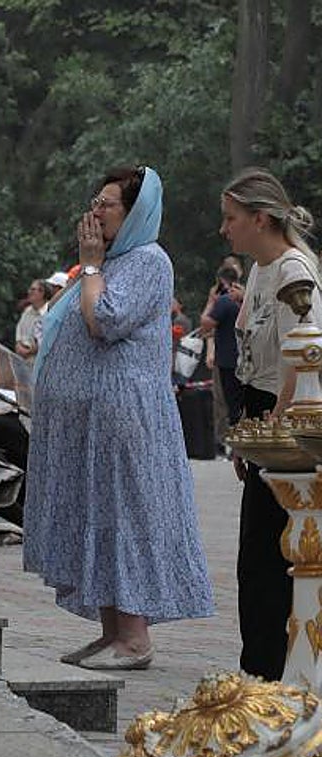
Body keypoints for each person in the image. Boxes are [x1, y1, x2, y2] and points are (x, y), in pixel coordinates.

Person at [24, 165, 214, 670]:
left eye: (107, 204)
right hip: (97, 422)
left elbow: (103, 319)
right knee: (100, 516)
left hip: (126, 416)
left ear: (136, 213)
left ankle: (134, 638)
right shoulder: (117, 259)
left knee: (124, 516)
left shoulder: (148, 261)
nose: (95, 211)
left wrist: (89, 267)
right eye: (96, 201)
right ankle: (112, 633)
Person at [221, 167, 322, 680]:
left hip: (291, 422)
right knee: (255, 562)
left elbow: (299, 364)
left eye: (232, 218)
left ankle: (274, 678)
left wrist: (270, 437)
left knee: (272, 560)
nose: (225, 229)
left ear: (260, 219)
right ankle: (259, 671)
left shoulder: (292, 273)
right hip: (262, 411)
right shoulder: (262, 269)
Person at [201, 262, 243, 451]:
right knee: (241, 402)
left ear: (222, 282)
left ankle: (233, 443)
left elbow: (206, 323)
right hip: (243, 357)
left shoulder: (224, 301)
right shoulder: (243, 299)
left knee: (229, 403)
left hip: (227, 359)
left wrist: (211, 301)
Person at [14, 278, 54, 361]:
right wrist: (18, 345)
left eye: (33, 290)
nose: (29, 292)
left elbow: (47, 341)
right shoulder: (27, 311)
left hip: (37, 362)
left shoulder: (49, 314)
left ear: (42, 293)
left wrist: (30, 351)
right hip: (20, 358)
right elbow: (19, 331)